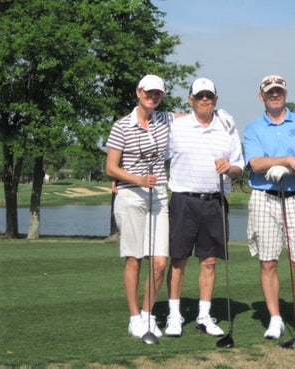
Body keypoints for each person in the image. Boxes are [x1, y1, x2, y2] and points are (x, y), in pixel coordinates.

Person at [164, 78, 245, 337]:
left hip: (214, 201)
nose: (204, 99)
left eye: (209, 95)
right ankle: (174, 316)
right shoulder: (176, 126)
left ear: (216, 100)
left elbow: (239, 166)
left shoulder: (228, 127)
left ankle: (203, 316)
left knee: (209, 262)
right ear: (190, 100)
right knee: (178, 260)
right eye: (199, 96)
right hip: (183, 200)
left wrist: (228, 168)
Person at [243, 75, 295, 345]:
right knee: (268, 262)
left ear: (285, 93)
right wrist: (287, 160)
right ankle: (275, 318)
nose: (275, 95)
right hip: (264, 197)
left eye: (279, 91)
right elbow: (254, 163)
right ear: (261, 96)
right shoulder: (253, 128)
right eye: (269, 92)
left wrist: (294, 168)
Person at [106, 74, 172, 339]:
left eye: (157, 93)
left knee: (159, 263)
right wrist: (137, 179)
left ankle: (148, 313)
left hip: (158, 197)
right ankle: (135, 318)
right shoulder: (121, 126)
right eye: (149, 92)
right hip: (131, 196)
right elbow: (111, 167)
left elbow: (189, 115)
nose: (152, 96)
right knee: (134, 258)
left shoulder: (165, 120)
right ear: (138, 92)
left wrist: (217, 112)